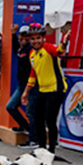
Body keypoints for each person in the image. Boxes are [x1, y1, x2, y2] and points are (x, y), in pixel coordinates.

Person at [21, 23, 68, 153]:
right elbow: (33, 74)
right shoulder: (32, 54)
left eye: (38, 38)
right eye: (33, 39)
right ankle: (42, 147)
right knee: (37, 118)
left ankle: (51, 149)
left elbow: (59, 51)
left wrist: (64, 43)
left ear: (43, 38)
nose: (36, 41)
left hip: (55, 90)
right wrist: (25, 92)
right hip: (42, 90)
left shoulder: (48, 48)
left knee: (50, 119)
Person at [6, 25, 34, 140]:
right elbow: (15, 47)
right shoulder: (20, 49)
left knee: (30, 112)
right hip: (21, 84)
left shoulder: (31, 49)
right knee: (10, 106)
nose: (25, 38)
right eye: (23, 35)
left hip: (31, 85)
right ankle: (26, 128)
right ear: (20, 36)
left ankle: (34, 138)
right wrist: (13, 34)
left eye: (28, 36)